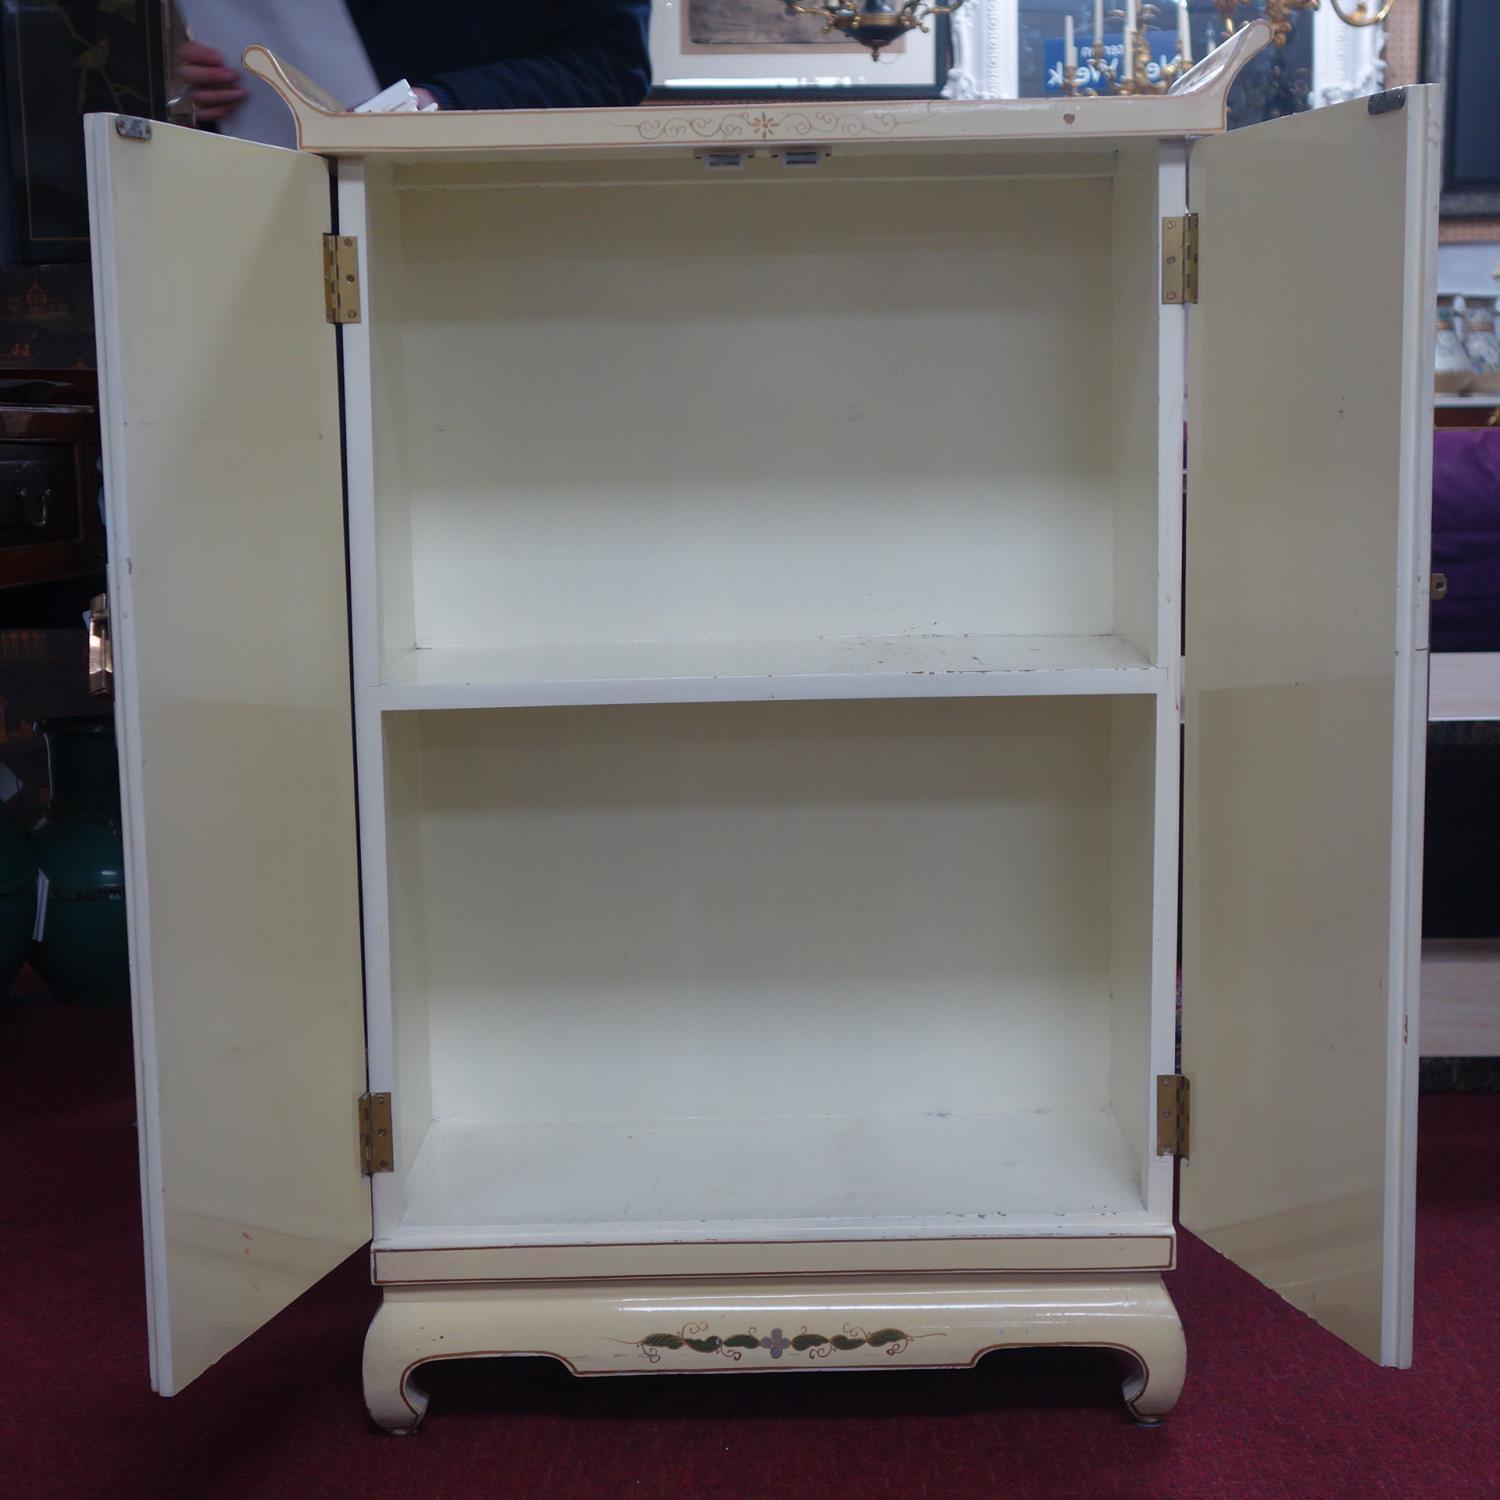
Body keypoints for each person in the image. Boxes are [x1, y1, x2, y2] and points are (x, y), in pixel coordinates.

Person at [179, 0, 652, 122]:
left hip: (482, 216)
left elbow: (608, 66)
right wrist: (191, 85)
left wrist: (435, 105)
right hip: (260, 208)